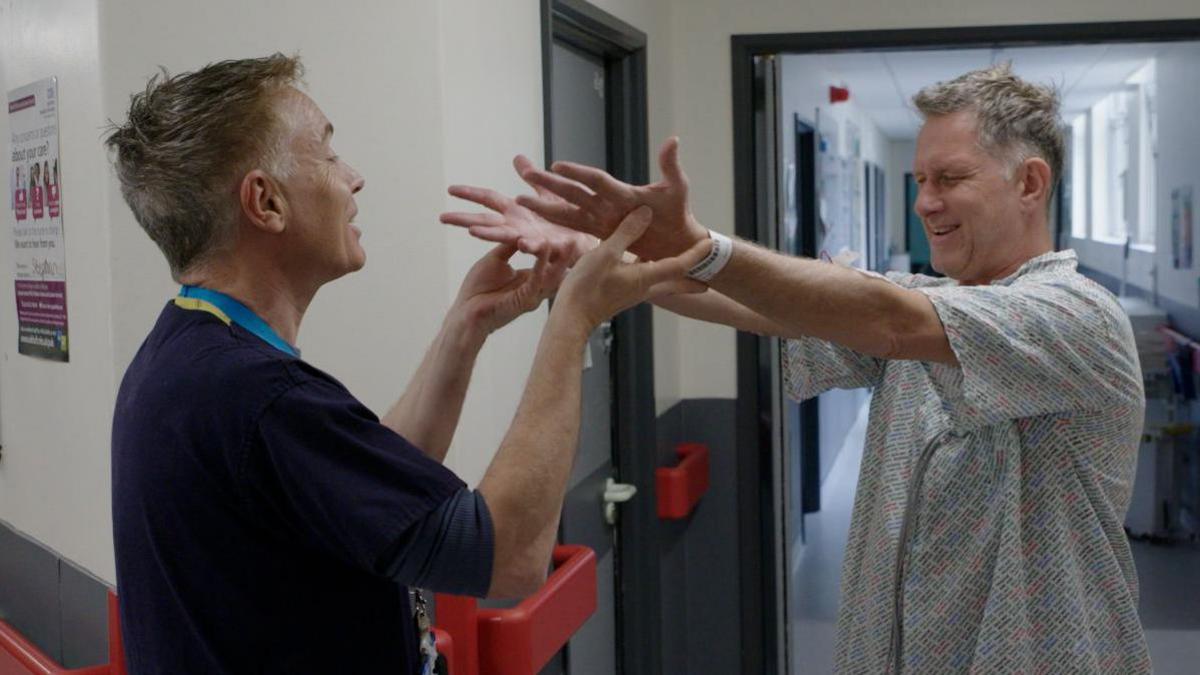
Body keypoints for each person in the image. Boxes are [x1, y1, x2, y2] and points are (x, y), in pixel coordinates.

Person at [444, 63, 1150, 673]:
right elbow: (767, 307)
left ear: (1030, 183)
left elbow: (892, 320)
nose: (924, 202)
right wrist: (606, 255)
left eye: (950, 178)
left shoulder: (1078, 320)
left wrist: (701, 244)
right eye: (919, 179)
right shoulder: (934, 303)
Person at [105, 54, 704, 674]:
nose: (354, 178)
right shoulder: (256, 394)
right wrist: (573, 320)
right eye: (330, 155)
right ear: (266, 202)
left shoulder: (184, 356)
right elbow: (508, 555)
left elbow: (363, 494)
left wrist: (465, 328)